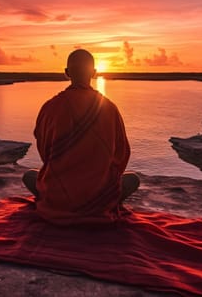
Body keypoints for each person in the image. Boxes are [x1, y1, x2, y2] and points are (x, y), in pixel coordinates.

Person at [22, 49, 139, 225]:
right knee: (133, 179)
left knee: (30, 176)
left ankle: (65, 202)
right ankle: (99, 204)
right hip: (99, 197)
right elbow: (122, 156)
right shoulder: (109, 108)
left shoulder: (50, 107)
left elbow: (45, 154)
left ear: (67, 73)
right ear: (94, 73)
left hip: (59, 197)